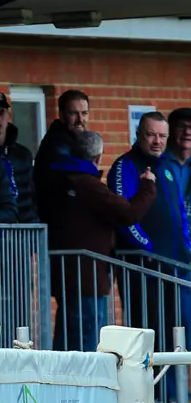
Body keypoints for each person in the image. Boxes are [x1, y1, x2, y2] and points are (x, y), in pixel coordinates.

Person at [46, 132, 155, 351]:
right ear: (98, 157)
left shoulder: (59, 180)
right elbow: (128, 214)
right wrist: (147, 187)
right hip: (88, 279)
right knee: (86, 348)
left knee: (68, 343)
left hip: (70, 277)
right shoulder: (88, 185)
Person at [109, 112, 191, 351]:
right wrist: (146, 247)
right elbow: (123, 216)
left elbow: (179, 214)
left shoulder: (167, 167)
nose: (157, 141)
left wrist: (186, 249)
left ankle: (169, 390)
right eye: (151, 135)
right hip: (142, 269)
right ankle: (146, 390)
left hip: (171, 268)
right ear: (139, 134)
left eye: (162, 136)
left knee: (171, 342)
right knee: (146, 340)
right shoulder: (125, 166)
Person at [0, 91, 38, 223]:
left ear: (9, 116)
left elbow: (34, 194)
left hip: (27, 226)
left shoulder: (23, 154)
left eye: (1, 112)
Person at [36, 90, 90, 222]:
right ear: (61, 115)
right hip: (59, 221)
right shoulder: (56, 145)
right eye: (73, 114)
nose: (80, 120)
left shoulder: (76, 141)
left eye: (84, 113)